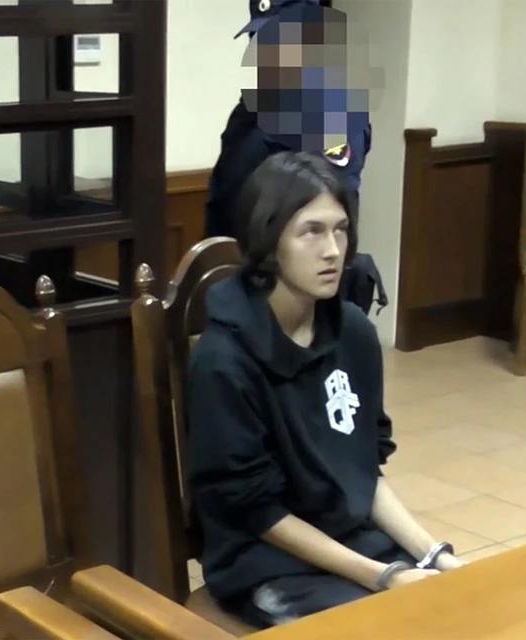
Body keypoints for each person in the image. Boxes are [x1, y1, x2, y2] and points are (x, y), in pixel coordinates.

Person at [186, 152, 463, 629]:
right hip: (268, 564)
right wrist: (384, 577)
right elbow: (256, 512)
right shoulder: (223, 360)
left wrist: (435, 555)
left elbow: (363, 469)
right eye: (311, 231)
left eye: (340, 229)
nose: (333, 250)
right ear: (268, 240)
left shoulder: (353, 331)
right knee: (394, 626)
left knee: (457, 607)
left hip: (353, 541)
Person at [205, 0, 387, 315]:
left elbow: (323, 214)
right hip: (236, 280)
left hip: (295, 296)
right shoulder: (252, 107)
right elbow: (225, 194)